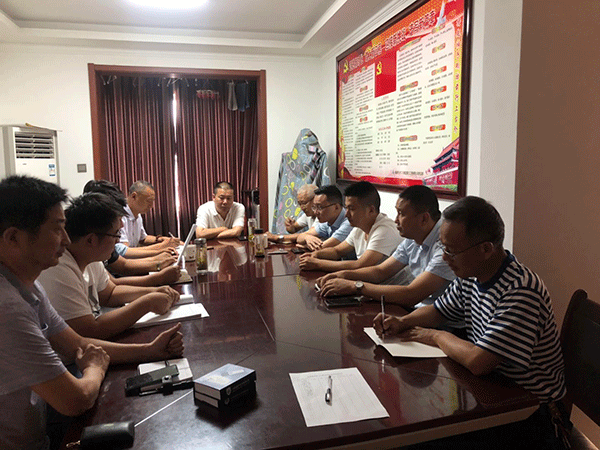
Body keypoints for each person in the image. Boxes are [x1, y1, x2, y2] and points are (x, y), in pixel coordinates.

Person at [0, 175, 183, 450]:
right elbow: (75, 399)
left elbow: (78, 343)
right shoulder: (8, 308)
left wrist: (150, 351)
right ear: (13, 238)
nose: (66, 239)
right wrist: (96, 367)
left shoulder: (28, 286)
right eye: (57, 229)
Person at [373, 196, 569, 449]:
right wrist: (402, 321)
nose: (445, 258)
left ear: (486, 249)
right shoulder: (472, 275)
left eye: (451, 251)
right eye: (443, 248)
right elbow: (439, 311)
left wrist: (435, 336)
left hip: (530, 412)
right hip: (491, 394)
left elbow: (479, 361)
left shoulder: (521, 290)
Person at [38, 192, 180, 340]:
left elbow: (110, 293)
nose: (118, 241)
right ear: (91, 240)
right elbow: (89, 331)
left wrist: (153, 292)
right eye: (116, 234)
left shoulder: (89, 255)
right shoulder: (58, 268)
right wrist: (147, 303)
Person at [317, 185, 454, 308]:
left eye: (401, 214)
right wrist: (343, 275)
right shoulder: (412, 237)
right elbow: (380, 271)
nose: (396, 220)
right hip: (416, 308)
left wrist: (356, 286)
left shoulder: (446, 246)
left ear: (424, 218)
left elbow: (411, 294)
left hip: (439, 320)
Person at [84, 179, 180, 286]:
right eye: (149, 201)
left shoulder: (95, 250)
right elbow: (123, 252)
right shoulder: (86, 251)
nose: (121, 225)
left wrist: (160, 257)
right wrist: (159, 254)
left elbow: (122, 267)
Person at [299, 181, 401, 273]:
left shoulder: (384, 230)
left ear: (371, 210)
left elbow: (360, 265)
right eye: (346, 208)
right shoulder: (359, 227)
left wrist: (318, 264)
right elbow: (337, 251)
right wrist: (316, 255)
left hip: (388, 286)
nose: (346, 214)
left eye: (351, 209)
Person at [119, 180, 181, 257]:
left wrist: (162, 239)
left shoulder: (138, 215)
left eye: (152, 201)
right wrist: (162, 246)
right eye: (148, 201)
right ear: (134, 196)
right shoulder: (120, 215)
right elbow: (125, 251)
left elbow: (143, 239)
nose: (151, 206)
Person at [295, 185, 353, 251]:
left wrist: (305, 246)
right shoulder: (327, 221)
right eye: (314, 207)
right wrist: (307, 237)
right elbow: (299, 238)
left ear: (336, 207)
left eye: (320, 207)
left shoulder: (349, 222)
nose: (315, 212)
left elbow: (321, 247)